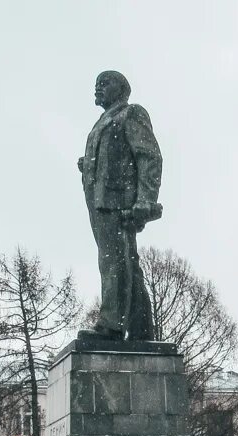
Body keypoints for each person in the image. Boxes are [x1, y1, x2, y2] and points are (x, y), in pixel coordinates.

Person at [78, 69, 163, 340]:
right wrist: (89, 163)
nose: (98, 88)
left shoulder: (130, 113)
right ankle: (141, 330)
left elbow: (149, 156)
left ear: (121, 89)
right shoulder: (101, 122)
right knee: (126, 264)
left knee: (114, 262)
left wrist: (146, 199)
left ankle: (112, 326)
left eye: (105, 83)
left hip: (119, 202)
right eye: (96, 84)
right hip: (100, 202)